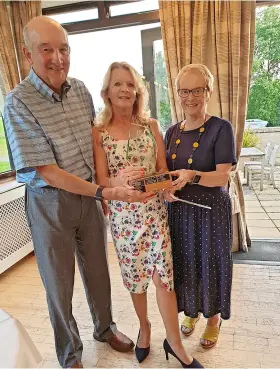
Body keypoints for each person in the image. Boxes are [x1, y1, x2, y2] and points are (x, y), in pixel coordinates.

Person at [3, 16, 153, 369]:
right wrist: (104, 190)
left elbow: (97, 143)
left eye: (64, 49)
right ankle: (70, 354)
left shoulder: (82, 90)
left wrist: (113, 183)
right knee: (59, 283)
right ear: (28, 55)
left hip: (90, 197)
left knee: (99, 271)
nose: (58, 58)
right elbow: (47, 171)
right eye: (47, 50)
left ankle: (105, 327)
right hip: (49, 204)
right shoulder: (17, 103)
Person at [92, 61, 203, 368]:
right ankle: (145, 328)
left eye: (130, 84)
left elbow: (163, 171)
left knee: (163, 279)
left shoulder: (151, 127)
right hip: (124, 219)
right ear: (108, 92)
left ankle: (175, 343)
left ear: (138, 91)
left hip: (154, 214)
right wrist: (120, 182)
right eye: (118, 84)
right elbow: (102, 182)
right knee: (135, 281)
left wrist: (166, 187)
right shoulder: (98, 132)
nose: (125, 89)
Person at [164, 64, 236, 349]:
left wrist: (192, 175)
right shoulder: (171, 132)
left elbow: (222, 175)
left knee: (212, 263)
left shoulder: (221, 128)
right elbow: (167, 174)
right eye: (184, 91)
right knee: (187, 263)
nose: (190, 97)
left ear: (208, 92)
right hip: (180, 211)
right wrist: (165, 189)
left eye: (197, 90)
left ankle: (213, 319)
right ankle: (192, 311)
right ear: (177, 93)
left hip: (211, 211)